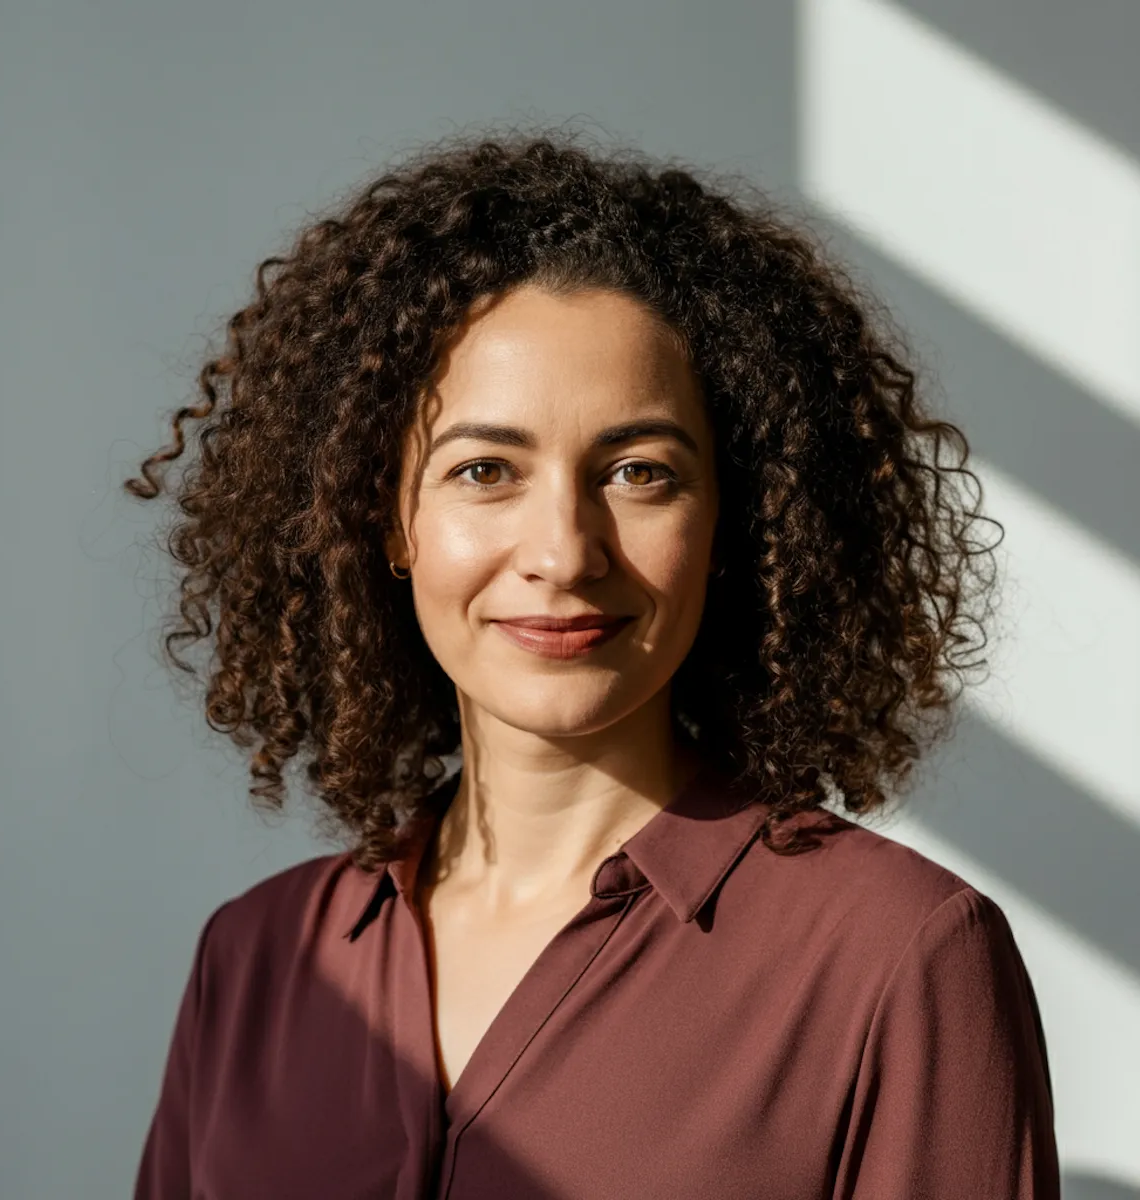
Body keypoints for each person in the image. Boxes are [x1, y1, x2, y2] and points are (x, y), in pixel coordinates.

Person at [126, 125, 1060, 1198]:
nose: (564, 553)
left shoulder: (898, 955)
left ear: (732, 524)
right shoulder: (256, 959)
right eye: (485, 470)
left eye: (639, 474)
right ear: (384, 521)